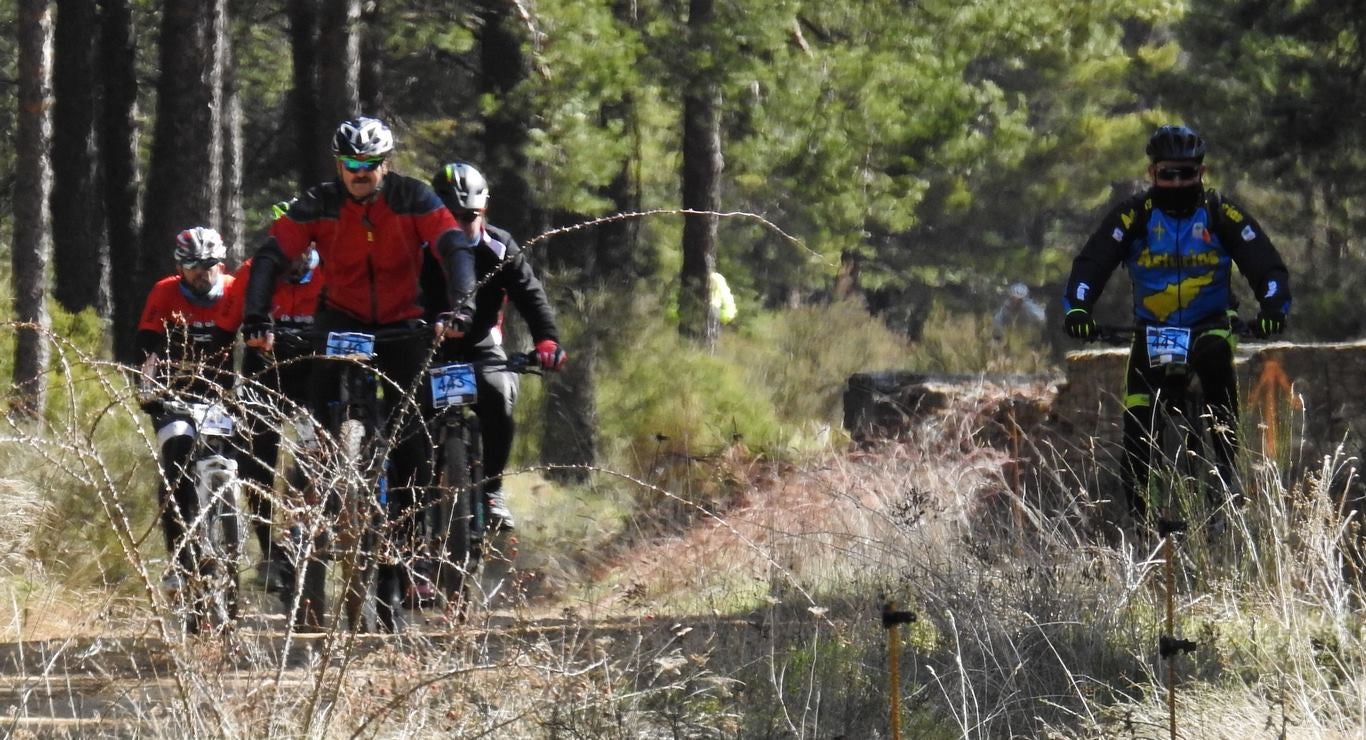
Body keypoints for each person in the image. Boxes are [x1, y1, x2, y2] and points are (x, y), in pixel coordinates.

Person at [241, 117, 478, 631]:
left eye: (369, 164)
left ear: (385, 164)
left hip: (402, 321)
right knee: (319, 433)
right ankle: (314, 536)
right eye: (350, 164)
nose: (359, 173)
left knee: (413, 439)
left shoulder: (413, 198)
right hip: (341, 318)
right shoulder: (320, 202)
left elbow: (452, 246)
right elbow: (271, 255)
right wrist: (257, 316)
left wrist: (461, 305)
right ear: (338, 165)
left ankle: (407, 556)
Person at [1062, 124, 1291, 523]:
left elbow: (1264, 262)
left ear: (1201, 174)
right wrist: (1079, 310)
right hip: (1152, 330)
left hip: (1210, 323)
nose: (1178, 181)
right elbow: (1092, 263)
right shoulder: (1134, 215)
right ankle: (1141, 517)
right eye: (1169, 174)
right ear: (1152, 174)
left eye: (1187, 173)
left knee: (1216, 357)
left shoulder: (1220, 212)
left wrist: (1273, 308)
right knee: (1138, 420)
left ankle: (1222, 479)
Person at [428, 161, 567, 532]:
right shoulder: (417, 247)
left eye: (468, 215)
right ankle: (406, 502)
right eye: (449, 216)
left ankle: (491, 490)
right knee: (406, 421)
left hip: (481, 346)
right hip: (425, 348)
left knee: (499, 393)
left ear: (483, 210)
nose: (459, 224)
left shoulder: (499, 246)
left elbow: (531, 295)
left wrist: (547, 341)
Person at [135, 227, 241, 599]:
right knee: (176, 453)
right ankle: (178, 561)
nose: (202, 271)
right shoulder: (165, 292)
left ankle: (239, 541)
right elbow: (147, 347)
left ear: (221, 263)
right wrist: (147, 390)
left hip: (225, 396)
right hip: (175, 394)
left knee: (246, 458)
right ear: (179, 266)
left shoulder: (233, 289)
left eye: (209, 263)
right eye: (193, 264)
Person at [230, 199, 324, 594]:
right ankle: (270, 548)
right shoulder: (255, 272)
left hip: (315, 379)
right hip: (266, 378)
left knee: (320, 449)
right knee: (255, 455)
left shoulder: (333, 271)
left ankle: (318, 524)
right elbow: (224, 323)